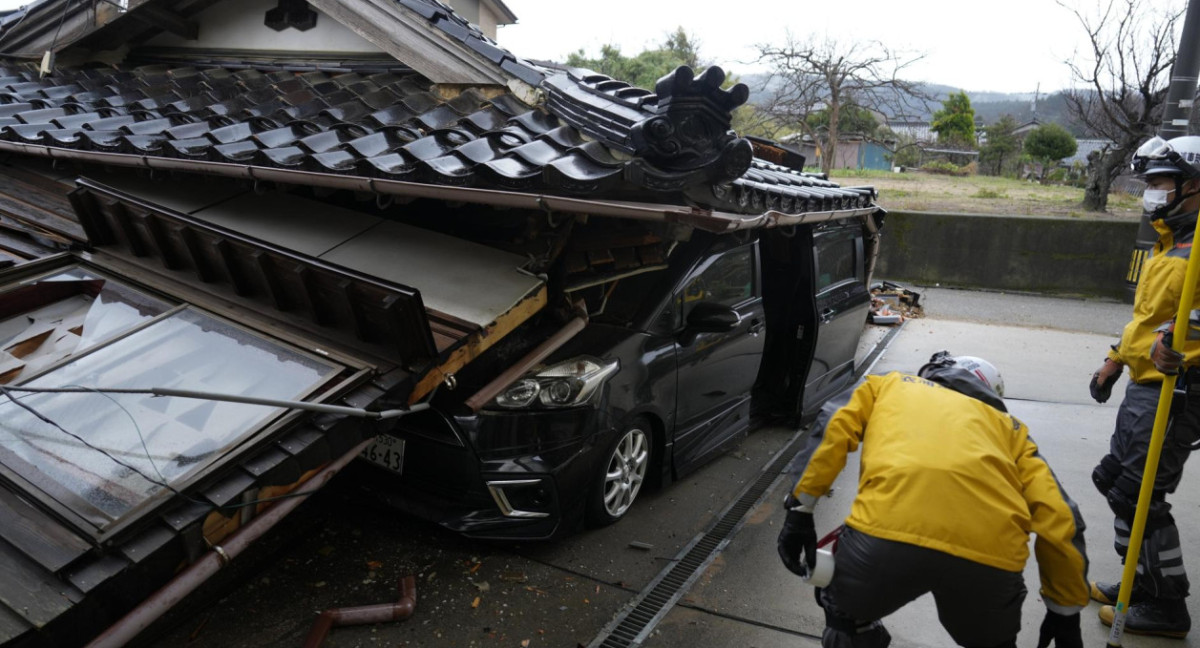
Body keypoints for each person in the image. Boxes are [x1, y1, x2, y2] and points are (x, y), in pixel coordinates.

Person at [778, 352, 1089, 648]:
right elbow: (1059, 516)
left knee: (845, 614)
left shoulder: (889, 384)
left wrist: (800, 509)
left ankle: (858, 633)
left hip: (883, 540)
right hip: (990, 561)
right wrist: (1065, 612)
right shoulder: (1013, 430)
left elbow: (833, 426)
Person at [1087, 134, 1200, 638]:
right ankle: (1137, 578)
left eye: (1161, 182)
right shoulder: (1170, 242)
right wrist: (1114, 361)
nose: (1152, 192)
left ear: (1194, 185)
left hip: (1179, 391)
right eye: (1149, 182)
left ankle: (1166, 606)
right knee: (1115, 482)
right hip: (1143, 387)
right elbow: (1150, 320)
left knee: (1139, 496)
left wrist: (1182, 348)